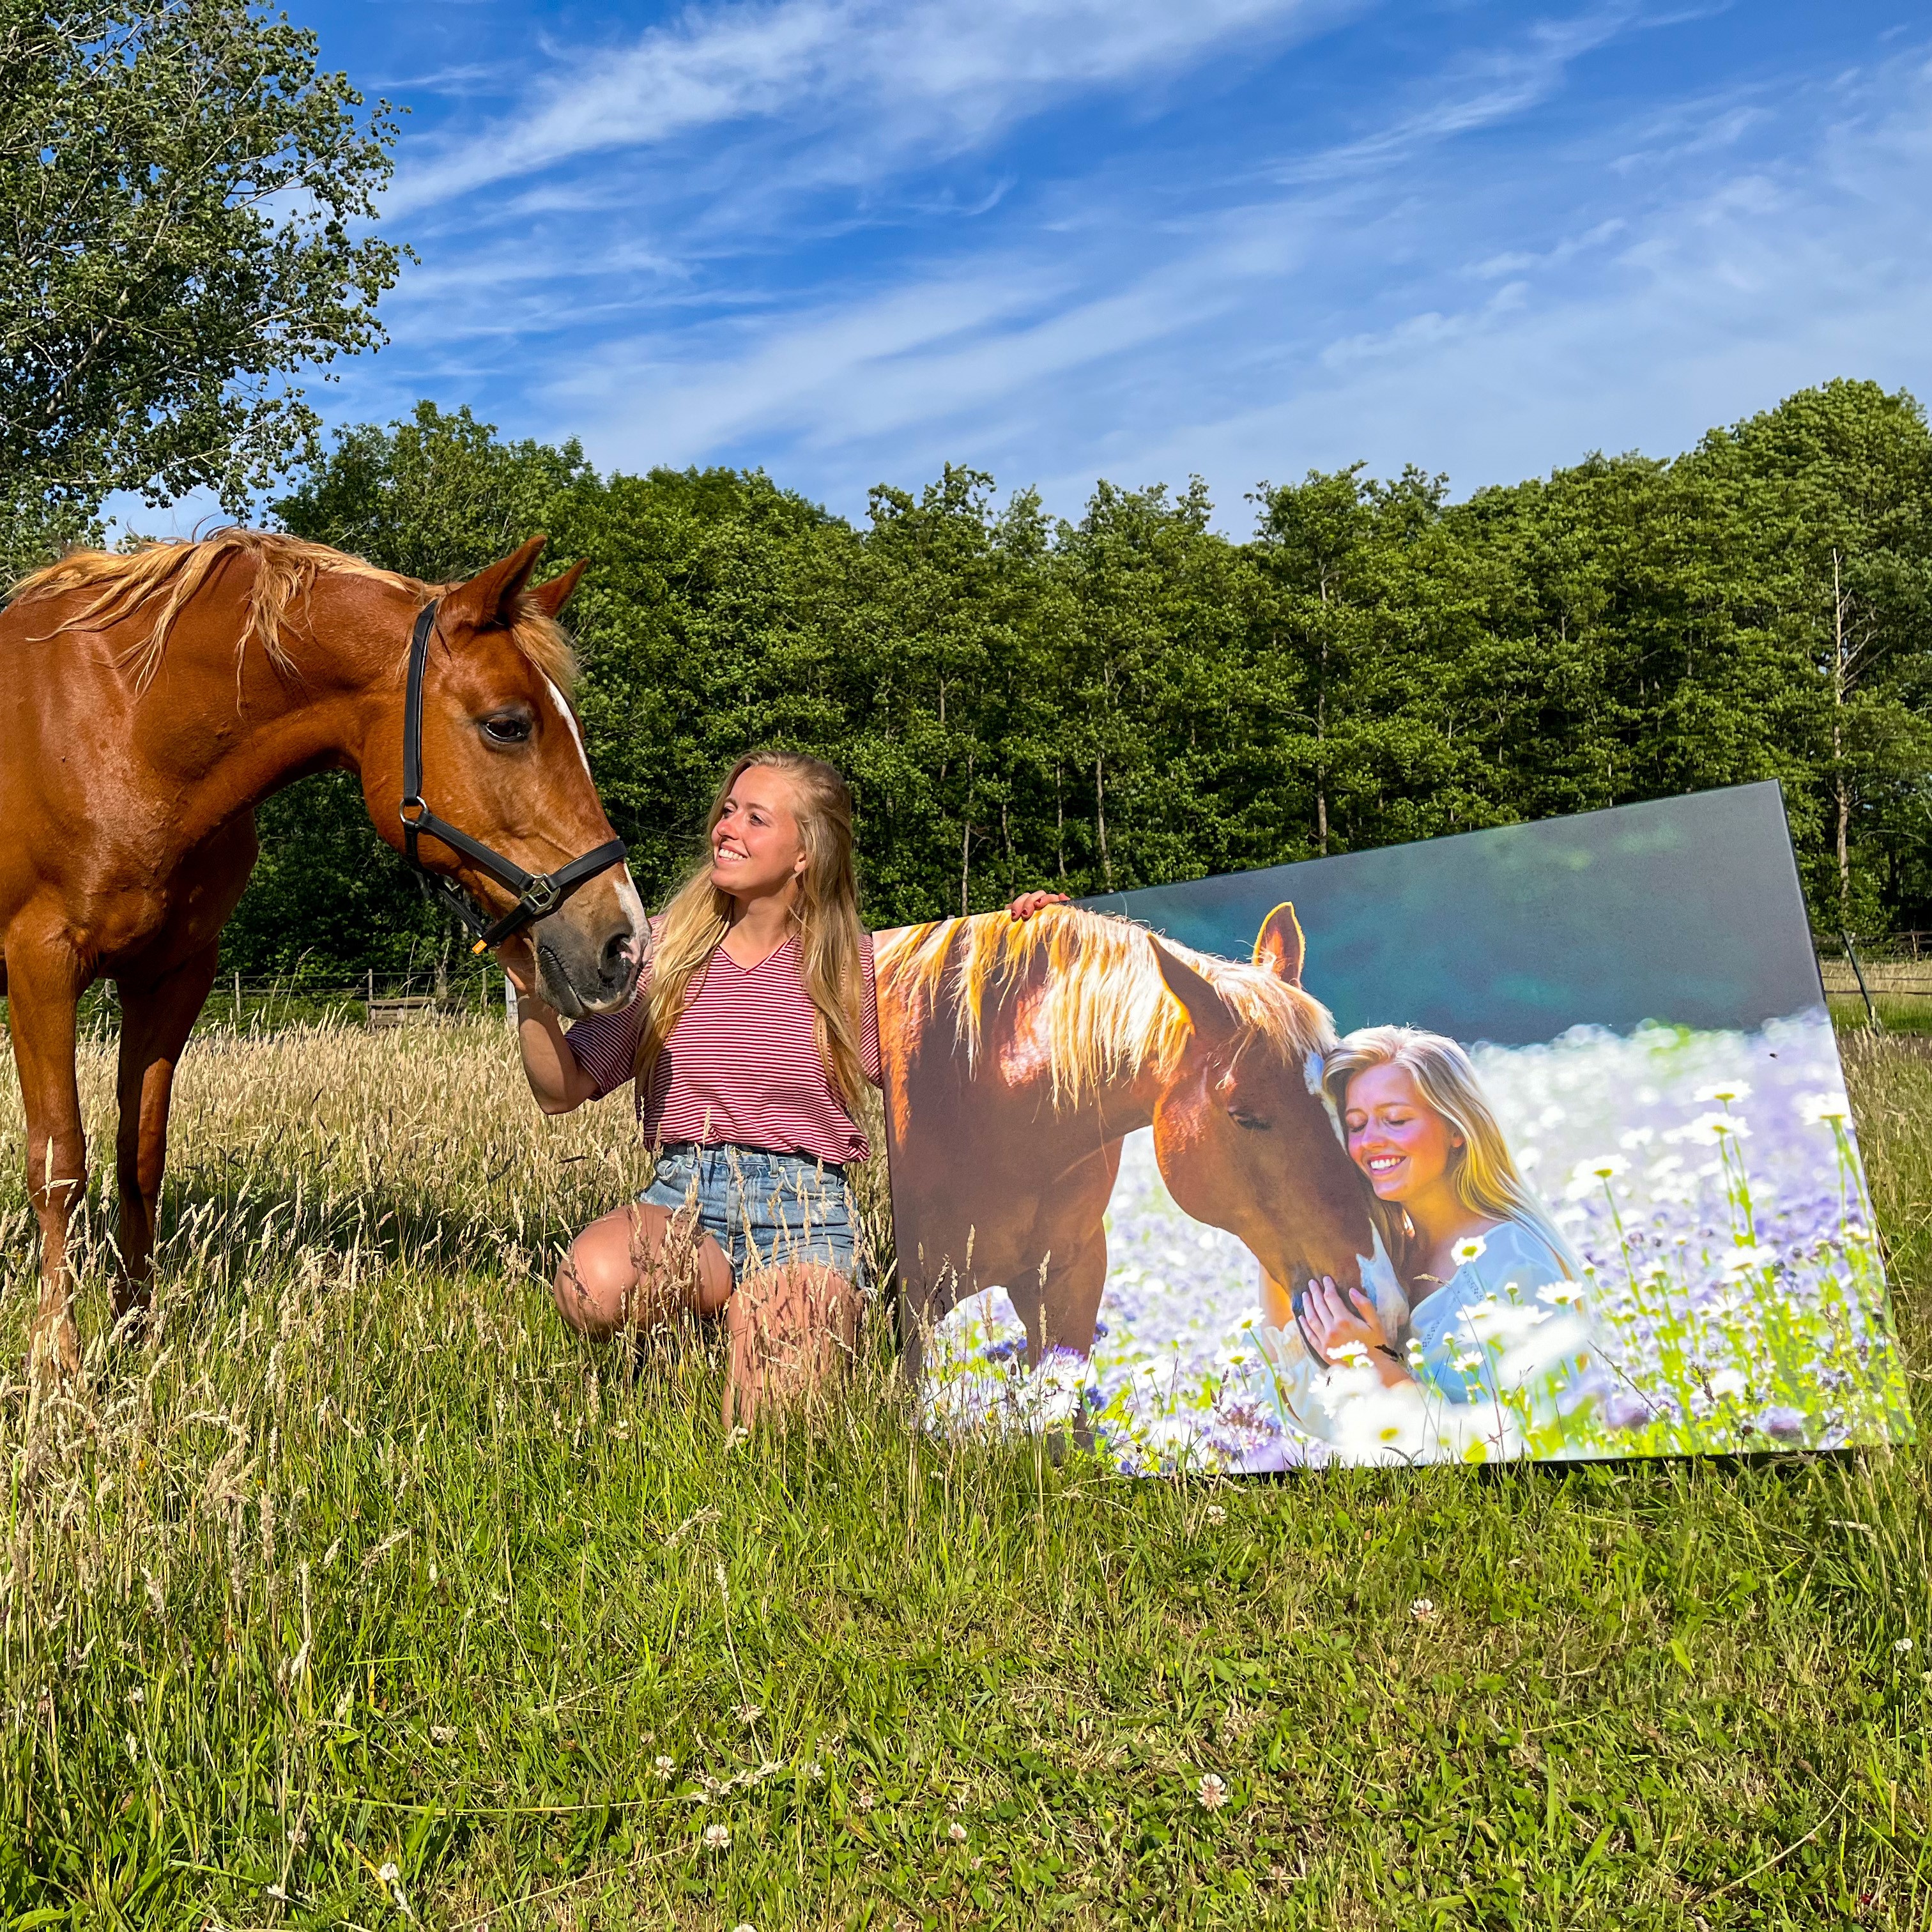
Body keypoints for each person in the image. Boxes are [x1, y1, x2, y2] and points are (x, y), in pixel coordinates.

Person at [502, 747, 1063, 1427]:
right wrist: (531, 995)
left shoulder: (859, 972)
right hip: (684, 1199)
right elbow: (560, 1089)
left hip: (805, 1213)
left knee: (768, 1430)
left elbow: (967, 1086)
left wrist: (1034, 952)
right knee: (589, 1286)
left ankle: (784, 1312)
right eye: (728, 811)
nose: (727, 829)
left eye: (755, 818)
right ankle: (701, 1321)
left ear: (805, 855)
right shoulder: (665, 953)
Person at [1299, 1025, 1584, 1411]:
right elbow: (1307, 1413)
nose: (1370, 1141)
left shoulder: (1514, 1261)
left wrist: (1372, 1365)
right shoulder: (1387, 1259)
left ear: (1456, 1129)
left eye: (1395, 1120)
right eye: (1356, 1125)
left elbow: (1536, 1438)